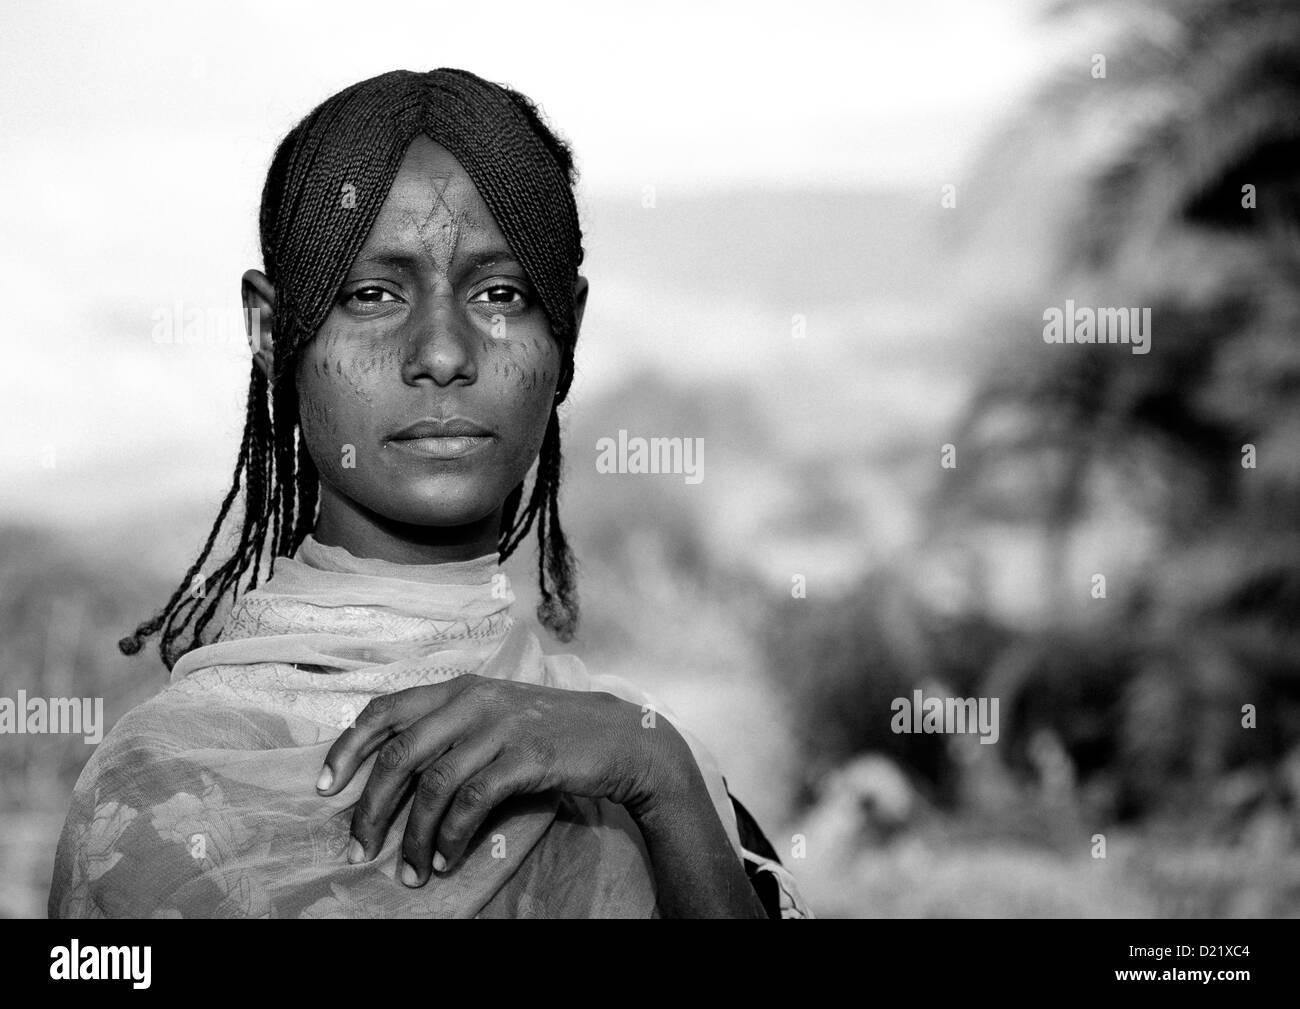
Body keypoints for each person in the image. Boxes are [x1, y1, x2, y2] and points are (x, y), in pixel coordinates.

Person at [49, 68, 810, 919]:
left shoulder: (649, 765)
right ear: (270, 329)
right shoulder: (160, 782)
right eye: (372, 294)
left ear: (569, 329)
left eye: (501, 294)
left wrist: (658, 774)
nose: (443, 352)